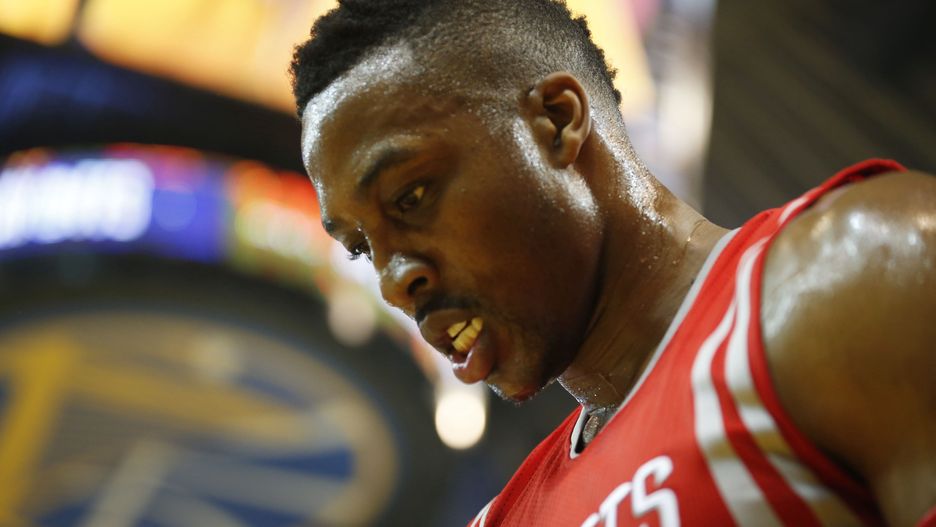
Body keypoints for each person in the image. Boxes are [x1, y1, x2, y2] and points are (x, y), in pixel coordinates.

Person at [289, 1, 936, 525]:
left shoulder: (860, 269)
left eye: (411, 197)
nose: (397, 280)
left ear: (557, 121)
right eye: (360, 246)